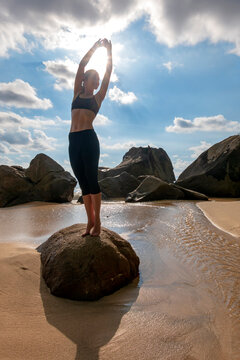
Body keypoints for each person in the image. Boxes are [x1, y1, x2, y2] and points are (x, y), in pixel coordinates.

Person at [68, 38, 112, 237]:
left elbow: (108, 73)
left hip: (88, 139)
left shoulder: (97, 98)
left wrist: (109, 52)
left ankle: (99, 222)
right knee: (83, 183)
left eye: (97, 80)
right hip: (73, 140)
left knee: (92, 181)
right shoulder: (77, 92)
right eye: (92, 79)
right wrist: (95, 47)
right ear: (85, 80)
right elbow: (81, 65)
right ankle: (89, 222)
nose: (96, 82)